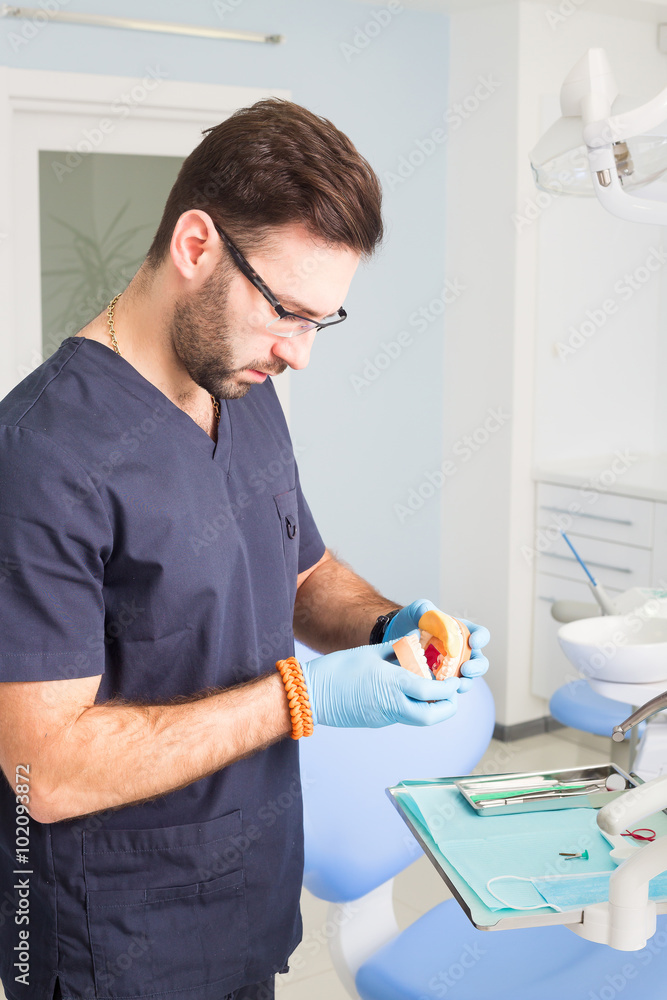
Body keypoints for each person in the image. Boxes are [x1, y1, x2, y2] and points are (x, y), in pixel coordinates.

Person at [0, 98, 490, 1000]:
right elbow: (47, 773)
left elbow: (299, 569)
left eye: (321, 322)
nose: (300, 354)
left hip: (250, 903)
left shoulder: (244, 385)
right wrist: (303, 697)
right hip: (113, 941)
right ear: (196, 247)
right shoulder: (42, 456)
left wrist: (391, 623)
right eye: (288, 312)